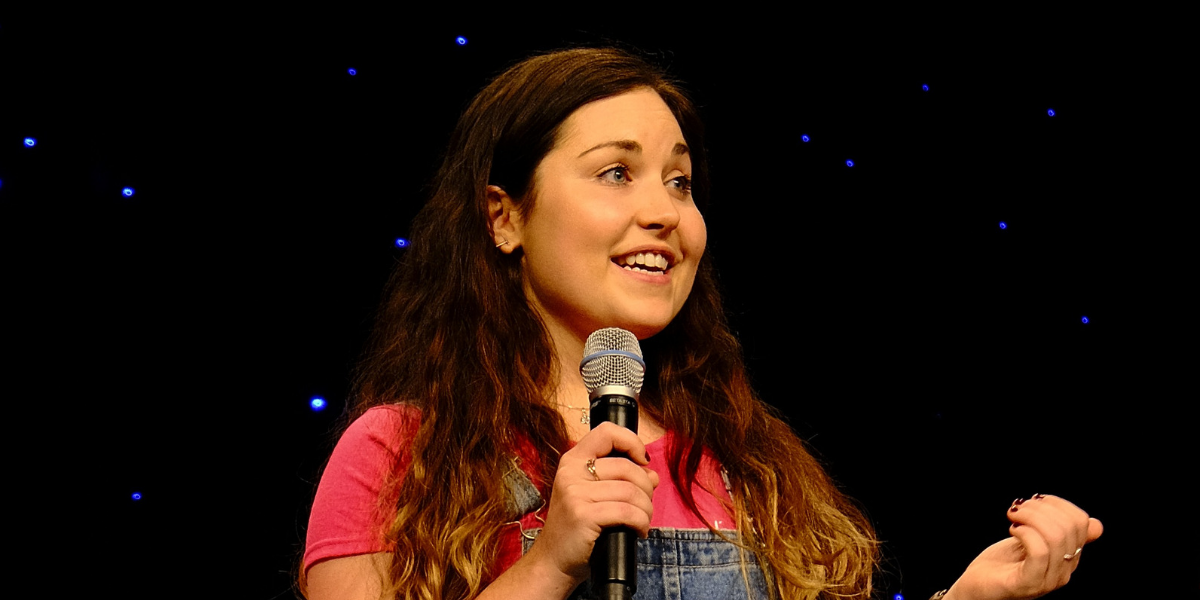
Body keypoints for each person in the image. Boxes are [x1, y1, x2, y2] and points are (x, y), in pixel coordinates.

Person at [300, 48, 1102, 600]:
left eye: (680, 183)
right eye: (617, 173)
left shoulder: (748, 462)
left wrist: (972, 596)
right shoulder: (399, 454)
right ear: (504, 217)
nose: (664, 212)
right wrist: (547, 567)